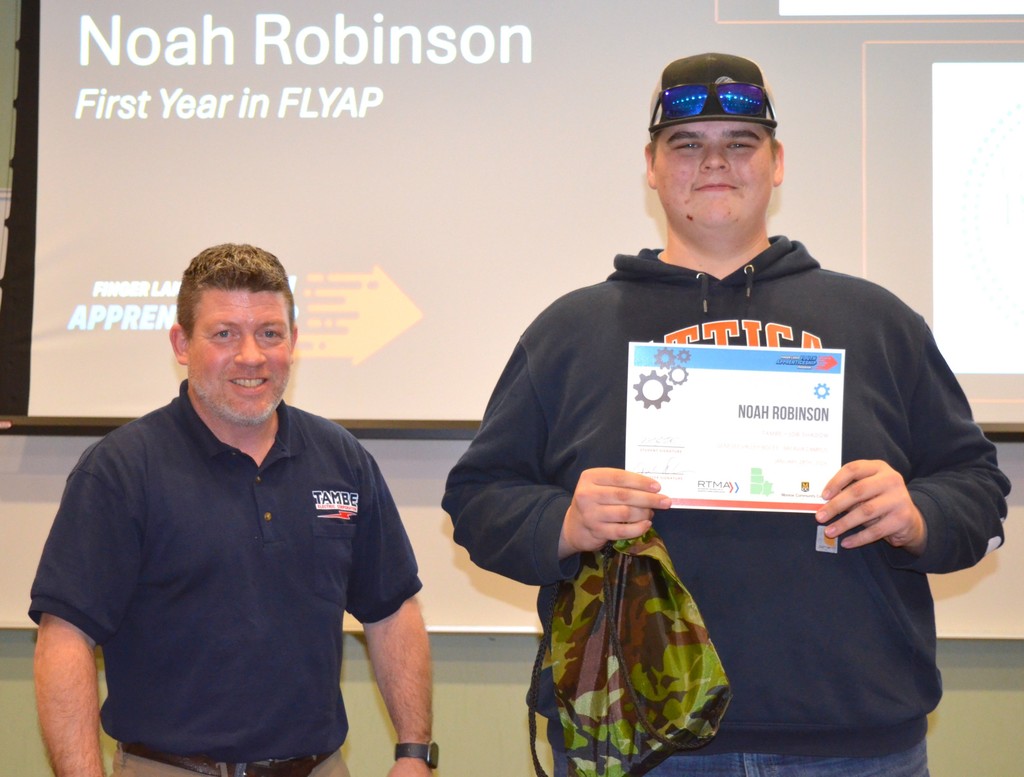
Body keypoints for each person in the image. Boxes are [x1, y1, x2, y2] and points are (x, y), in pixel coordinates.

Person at [442, 53, 1010, 776]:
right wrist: (564, 522)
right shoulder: (570, 331)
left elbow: (976, 488)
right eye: (686, 143)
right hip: (638, 738)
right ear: (651, 167)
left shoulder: (877, 322)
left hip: (851, 737)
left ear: (778, 163)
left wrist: (917, 513)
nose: (715, 161)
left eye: (741, 142)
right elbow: (478, 499)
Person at [31, 244, 437, 777]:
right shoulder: (121, 470)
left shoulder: (342, 460)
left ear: (293, 341)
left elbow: (392, 609)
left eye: (269, 333)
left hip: (319, 767)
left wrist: (414, 753)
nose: (251, 356)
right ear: (182, 344)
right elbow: (65, 637)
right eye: (224, 334)